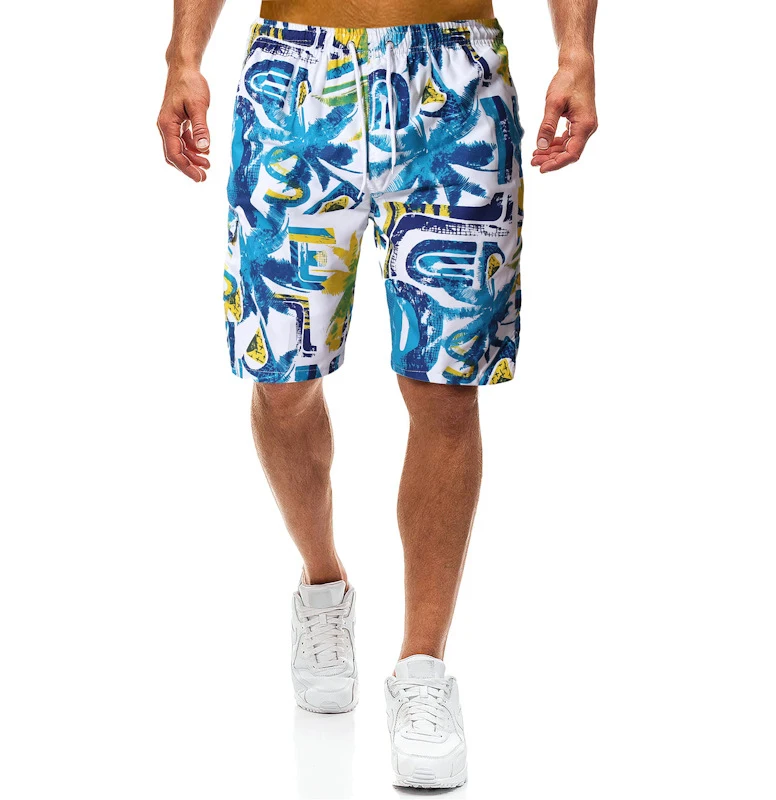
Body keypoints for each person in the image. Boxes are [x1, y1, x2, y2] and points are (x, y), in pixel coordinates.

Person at [157, 0, 597, 789]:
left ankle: (423, 667)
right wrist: (182, 55)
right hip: (297, 72)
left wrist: (576, 50)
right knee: (280, 375)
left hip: (454, 79)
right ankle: (323, 585)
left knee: (444, 386)